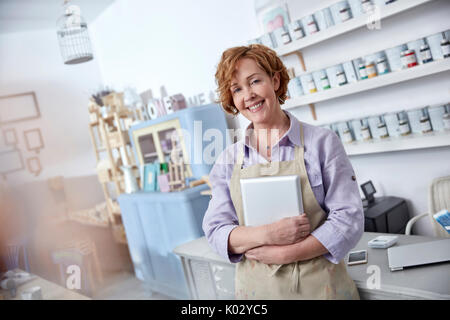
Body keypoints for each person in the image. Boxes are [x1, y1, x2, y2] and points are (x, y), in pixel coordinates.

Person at [202, 44, 364, 299]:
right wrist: (269, 234)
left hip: (321, 289)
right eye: (237, 89)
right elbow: (216, 230)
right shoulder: (228, 160)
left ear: (275, 80)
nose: (249, 95)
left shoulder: (322, 143)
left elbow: (348, 218)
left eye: (255, 81)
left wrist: (285, 254)